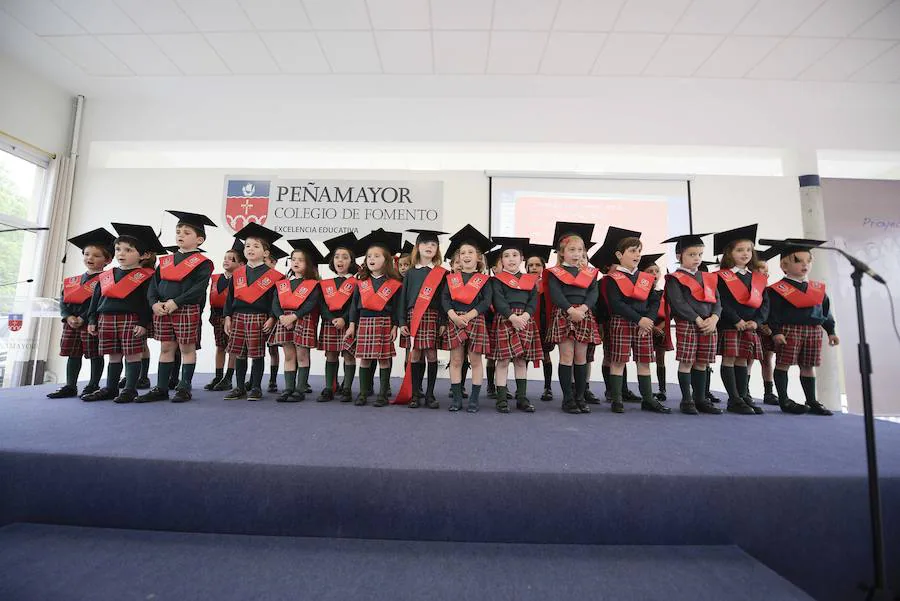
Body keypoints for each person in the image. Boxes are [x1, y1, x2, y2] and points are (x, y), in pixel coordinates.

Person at [139, 211, 215, 403]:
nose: (180, 234)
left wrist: (176, 302)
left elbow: (199, 289)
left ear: (200, 239)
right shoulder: (166, 261)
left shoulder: (203, 263)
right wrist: (154, 303)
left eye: (187, 232)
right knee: (166, 347)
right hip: (163, 309)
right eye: (178, 231)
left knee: (186, 348)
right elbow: (153, 285)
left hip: (185, 308)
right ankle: (162, 388)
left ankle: (184, 387)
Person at [83, 224, 160, 403]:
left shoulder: (146, 276)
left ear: (143, 255)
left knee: (132, 354)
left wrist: (143, 322)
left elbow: (147, 302)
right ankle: (110, 388)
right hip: (106, 319)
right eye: (118, 249)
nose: (121, 253)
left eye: (128, 250)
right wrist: (92, 319)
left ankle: (130, 389)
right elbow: (96, 299)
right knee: (113, 355)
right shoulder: (106, 275)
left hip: (131, 319)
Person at [596, 228, 670, 414]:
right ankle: (617, 399)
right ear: (620, 255)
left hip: (644, 325)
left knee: (644, 362)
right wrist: (639, 319)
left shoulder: (645, 278)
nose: (637, 254)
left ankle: (648, 399)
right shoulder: (613, 278)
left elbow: (654, 301)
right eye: (632, 251)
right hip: (622, 322)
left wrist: (649, 320)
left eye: (639, 251)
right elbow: (616, 303)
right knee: (618, 361)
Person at [766, 239, 840, 416]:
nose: (804, 265)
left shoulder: (817, 289)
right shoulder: (776, 289)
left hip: (813, 331)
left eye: (808, 260)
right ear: (784, 265)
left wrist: (831, 331)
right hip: (789, 330)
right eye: (798, 260)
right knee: (783, 363)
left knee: (808, 365)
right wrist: (776, 332)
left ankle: (812, 400)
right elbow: (772, 313)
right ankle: (784, 399)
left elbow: (825, 312)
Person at [48, 228, 115, 400]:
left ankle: (93, 384)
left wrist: (83, 318)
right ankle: (70, 386)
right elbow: (63, 300)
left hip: (92, 323)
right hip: (71, 323)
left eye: (96, 255)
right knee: (73, 353)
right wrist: (68, 316)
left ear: (107, 260)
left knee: (95, 354)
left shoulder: (108, 280)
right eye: (86, 254)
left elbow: (100, 303)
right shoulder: (74, 281)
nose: (89, 258)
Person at [544, 222, 602, 414]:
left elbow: (593, 293)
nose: (576, 253)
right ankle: (568, 399)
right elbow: (556, 294)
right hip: (564, 314)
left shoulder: (589, 273)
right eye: (572, 250)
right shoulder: (555, 273)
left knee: (581, 357)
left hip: (584, 314)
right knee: (566, 356)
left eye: (580, 250)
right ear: (562, 253)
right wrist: (571, 310)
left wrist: (583, 309)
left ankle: (580, 397)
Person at [663, 233, 722, 415]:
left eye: (700, 254)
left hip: (709, 325)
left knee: (702, 362)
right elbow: (678, 303)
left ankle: (701, 399)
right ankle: (686, 400)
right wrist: (697, 319)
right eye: (692, 254)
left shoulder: (708, 277)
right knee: (687, 361)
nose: (697, 258)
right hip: (688, 324)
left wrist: (714, 318)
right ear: (679, 256)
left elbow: (717, 300)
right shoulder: (674, 278)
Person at [344, 229, 404, 407]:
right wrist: (352, 325)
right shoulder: (360, 283)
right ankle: (363, 393)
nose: (372, 259)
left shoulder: (394, 284)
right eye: (369, 256)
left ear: (386, 260)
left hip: (384, 322)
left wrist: (395, 326)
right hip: (364, 322)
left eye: (377, 256)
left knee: (384, 358)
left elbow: (397, 308)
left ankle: (383, 394)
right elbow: (354, 306)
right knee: (365, 358)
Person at [223, 223, 283, 401]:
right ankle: (239, 387)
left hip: (259, 317)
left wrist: (272, 318)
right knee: (239, 353)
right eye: (247, 245)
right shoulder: (238, 273)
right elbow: (230, 297)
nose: (250, 249)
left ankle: (256, 387)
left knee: (257, 354)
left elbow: (276, 301)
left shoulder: (274, 276)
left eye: (256, 246)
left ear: (266, 253)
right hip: (238, 316)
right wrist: (227, 316)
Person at [713, 224, 768, 415]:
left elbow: (764, 302)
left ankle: (744, 396)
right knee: (730, 359)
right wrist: (736, 319)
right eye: (740, 250)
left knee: (744, 361)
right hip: (731, 324)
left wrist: (757, 321)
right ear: (729, 253)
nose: (745, 254)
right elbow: (722, 301)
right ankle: (734, 398)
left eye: (748, 250)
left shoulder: (758, 277)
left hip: (750, 326)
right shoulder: (721, 277)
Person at [442, 225, 494, 413]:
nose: (466, 255)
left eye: (471, 252)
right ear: (458, 257)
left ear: (478, 257)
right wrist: (453, 316)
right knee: (456, 361)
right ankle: (456, 399)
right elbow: (445, 299)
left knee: (475, 361)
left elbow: (486, 301)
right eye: (463, 252)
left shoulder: (484, 279)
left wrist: (470, 315)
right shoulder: (451, 278)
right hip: (455, 320)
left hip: (476, 321)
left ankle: (474, 399)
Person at [489, 237, 541, 413]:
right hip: (505, 319)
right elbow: (498, 300)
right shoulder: (497, 280)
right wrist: (512, 317)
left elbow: (534, 301)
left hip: (525, 321)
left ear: (522, 259)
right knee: (503, 361)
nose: (511, 259)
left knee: (521, 361)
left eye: (515, 255)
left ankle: (522, 398)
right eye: (506, 255)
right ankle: (502, 399)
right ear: (501, 260)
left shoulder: (530, 280)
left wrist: (525, 316)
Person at [398, 229, 448, 409]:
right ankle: (415, 392)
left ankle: (430, 394)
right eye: (426, 244)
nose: (429, 247)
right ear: (418, 247)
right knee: (415, 354)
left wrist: (443, 321)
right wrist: (402, 321)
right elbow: (403, 298)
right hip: (414, 316)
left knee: (431, 353)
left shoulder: (441, 273)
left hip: (432, 316)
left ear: (437, 250)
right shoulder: (411, 273)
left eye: (433, 244)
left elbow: (444, 299)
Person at [270, 239, 323, 402]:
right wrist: (281, 317)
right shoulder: (283, 284)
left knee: (302, 355)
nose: (296, 262)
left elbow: (311, 303)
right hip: (284, 320)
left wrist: (294, 316)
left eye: (301, 260)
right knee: (288, 355)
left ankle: (300, 389)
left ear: (308, 264)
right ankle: (288, 388)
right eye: (293, 259)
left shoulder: (313, 284)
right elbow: (276, 303)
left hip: (302, 320)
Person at [317, 232, 358, 402]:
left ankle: (347, 387)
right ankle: (330, 387)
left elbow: (355, 305)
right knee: (331, 355)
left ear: (351, 261)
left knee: (349, 355)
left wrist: (345, 319)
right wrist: (331, 318)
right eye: (337, 257)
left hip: (348, 324)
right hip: (330, 324)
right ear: (332, 261)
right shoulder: (326, 283)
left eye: (345, 257)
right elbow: (322, 305)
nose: (340, 261)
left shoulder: (357, 283)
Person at [204, 240, 245, 391]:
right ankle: (218, 375)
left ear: (241, 264)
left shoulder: (241, 280)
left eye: (231, 258)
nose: (226, 260)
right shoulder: (215, 278)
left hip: (232, 317)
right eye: (225, 257)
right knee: (220, 346)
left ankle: (228, 377)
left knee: (232, 348)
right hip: (216, 316)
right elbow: (211, 296)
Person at [637, 253, 670, 402]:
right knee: (643, 361)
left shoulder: (663, 293)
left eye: (657, 271)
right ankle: (646, 391)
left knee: (660, 359)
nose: (654, 274)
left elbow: (671, 313)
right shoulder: (639, 292)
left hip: (661, 329)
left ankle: (662, 389)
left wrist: (660, 327)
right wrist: (651, 326)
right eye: (650, 271)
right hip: (645, 327)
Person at [525, 243, 555, 402]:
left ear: (544, 267)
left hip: (544, 324)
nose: (534, 267)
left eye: (537, 265)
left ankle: (548, 388)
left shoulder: (548, 284)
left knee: (546, 355)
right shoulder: (522, 283)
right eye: (530, 265)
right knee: (525, 357)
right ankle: (521, 390)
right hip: (528, 323)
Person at [753, 247, 780, 405]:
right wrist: (760, 324)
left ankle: (769, 392)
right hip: (753, 327)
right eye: (760, 268)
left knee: (767, 359)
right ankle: (744, 392)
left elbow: (771, 310)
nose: (764, 272)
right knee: (747, 360)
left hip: (768, 329)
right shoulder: (748, 288)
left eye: (766, 269)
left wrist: (770, 326)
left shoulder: (770, 290)